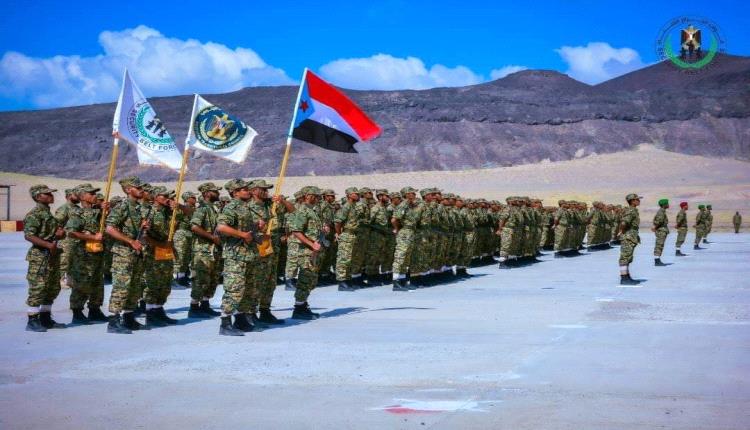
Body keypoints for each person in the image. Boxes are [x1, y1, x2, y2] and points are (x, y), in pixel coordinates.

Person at [105, 176, 149, 334]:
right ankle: (113, 321)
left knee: (135, 286)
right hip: (123, 253)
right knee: (121, 287)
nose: (142, 191)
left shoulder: (138, 208)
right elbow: (110, 228)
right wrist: (130, 241)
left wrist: (144, 228)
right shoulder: (122, 206)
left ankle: (129, 317)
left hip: (136, 253)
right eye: (139, 188)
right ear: (129, 190)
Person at [216, 179, 257, 336]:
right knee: (234, 289)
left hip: (248, 254)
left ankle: (240, 319)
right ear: (235, 192)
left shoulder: (245, 207)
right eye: (244, 189)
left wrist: (256, 226)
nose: (248, 191)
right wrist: (242, 235)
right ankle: (225, 323)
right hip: (235, 255)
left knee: (247, 290)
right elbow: (221, 227)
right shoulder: (231, 207)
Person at [23, 184, 67, 332]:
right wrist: (48, 245)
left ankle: (45, 318)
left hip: (52, 255)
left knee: (52, 288)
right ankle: (32, 320)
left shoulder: (48, 214)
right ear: (37, 197)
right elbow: (29, 235)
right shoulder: (34, 214)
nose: (51, 196)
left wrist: (60, 235)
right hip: (40, 256)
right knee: (38, 287)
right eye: (47, 194)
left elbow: (53, 235)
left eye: (51, 193)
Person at [65, 183, 109, 324]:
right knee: (82, 282)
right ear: (83, 197)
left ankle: (95, 309)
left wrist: (104, 210)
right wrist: (92, 237)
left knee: (97, 282)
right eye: (91, 193)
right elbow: (71, 232)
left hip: (97, 253)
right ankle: (77, 312)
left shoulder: (97, 211)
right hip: (83, 255)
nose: (95, 196)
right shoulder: (78, 213)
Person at [287, 186, 327, 319]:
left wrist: (323, 230)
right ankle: (298, 308)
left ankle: (303, 305)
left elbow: (311, 229)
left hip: (314, 250)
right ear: (307, 196)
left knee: (311, 280)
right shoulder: (302, 210)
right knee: (305, 280)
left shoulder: (312, 210)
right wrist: (311, 244)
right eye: (315, 196)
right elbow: (296, 231)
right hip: (306, 251)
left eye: (318, 196)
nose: (317, 198)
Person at [141, 186, 179, 327]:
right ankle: (150, 314)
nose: (168, 199)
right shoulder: (148, 212)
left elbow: (189, 214)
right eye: (164, 196)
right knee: (153, 284)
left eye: (169, 196)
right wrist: (161, 245)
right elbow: (144, 237)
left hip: (166, 252)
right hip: (152, 252)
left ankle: (159, 310)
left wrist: (177, 208)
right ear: (156, 197)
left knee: (165, 283)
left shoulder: (169, 212)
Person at [188, 182, 223, 318]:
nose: (218, 194)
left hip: (214, 250)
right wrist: (212, 237)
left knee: (212, 279)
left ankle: (205, 304)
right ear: (207, 193)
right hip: (203, 250)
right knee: (201, 279)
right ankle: (194, 307)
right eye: (215, 191)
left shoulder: (214, 209)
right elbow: (194, 226)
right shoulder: (202, 209)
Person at [391, 187, 420, 291]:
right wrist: (396, 229)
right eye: (412, 193)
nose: (414, 195)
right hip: (405, 232)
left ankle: (403, 280)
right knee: (400, 256)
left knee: (406, 258)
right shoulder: (403, 205)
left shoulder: (411, 206)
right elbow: (394, 219)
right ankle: (396, 282)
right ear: (406, 194)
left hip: (411, 232)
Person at [334, 187, 363, 291]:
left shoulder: (354, 206)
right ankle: (341, 282)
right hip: (346, 234)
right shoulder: (346, 206)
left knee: (350, 258)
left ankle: (347, 279)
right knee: (343, 258)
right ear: (349, 195)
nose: (358, 195)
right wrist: (339, 234)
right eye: (355, 194)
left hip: (353, 234)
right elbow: (338, 222)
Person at [54, 187, 81, 290]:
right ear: (69, 196)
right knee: (64, 261)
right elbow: (57, 223)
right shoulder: (64, 208)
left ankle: (70, 280)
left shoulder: (77, 208)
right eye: (75, 195)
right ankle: (59, 281)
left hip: (76, 239)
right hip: (66, 240)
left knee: (73, 261)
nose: (78, 196)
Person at [173, 191, 197, 287]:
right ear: (187, 199)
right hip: (181, 234)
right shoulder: (180, 209)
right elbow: (175, 222)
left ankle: (183, 276)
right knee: (180, 256)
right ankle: (176, 277)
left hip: (190, 234)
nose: (195, 199)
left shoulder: (194, 209)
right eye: (193, 197)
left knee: (187, 257)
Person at [618, 193, 642, 285]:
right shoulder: (631, 211)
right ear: (632, 201)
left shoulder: (633, 210)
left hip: (631, 236)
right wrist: (621, 231)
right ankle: (624, 278)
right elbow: (624, 222)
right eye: (637, 199)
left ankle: (627, 276)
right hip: (628, 236)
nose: (639, 201)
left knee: (628, 257)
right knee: (625, 257)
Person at [652, 198, 670, 266]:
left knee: (660, 245)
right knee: (659, 245)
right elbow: (659, 221)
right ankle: (657, 261)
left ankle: (658, 260)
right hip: (661, 230)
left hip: (662, 230)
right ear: (664, 205)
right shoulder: (661, 212)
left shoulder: (662, 211)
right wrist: (655, 228)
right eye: (667, 203)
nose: (668, 204)